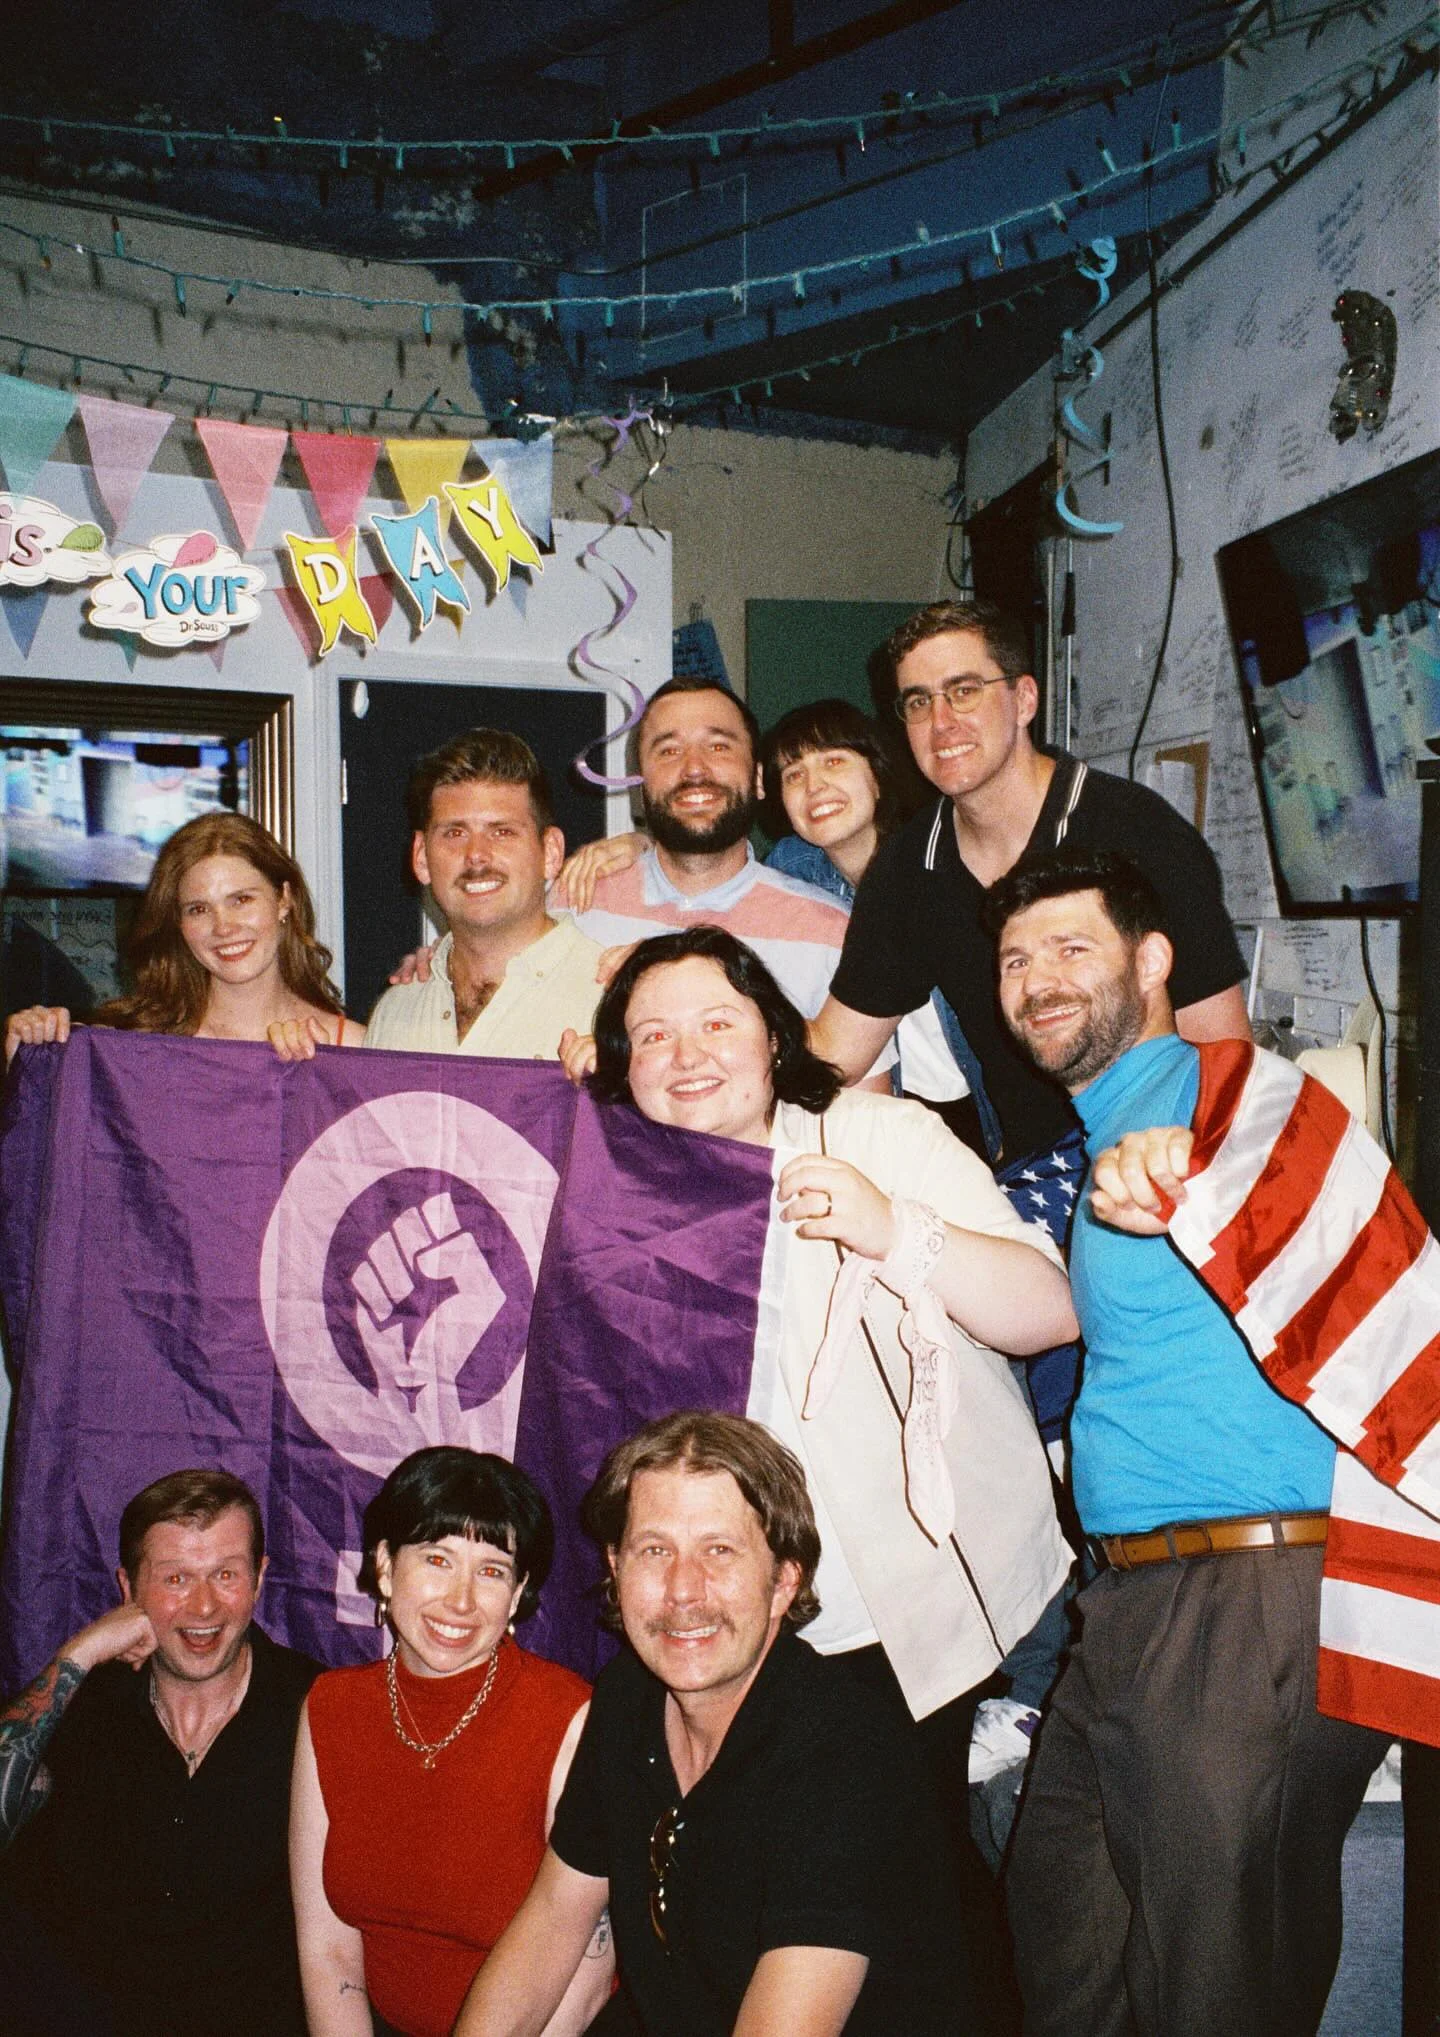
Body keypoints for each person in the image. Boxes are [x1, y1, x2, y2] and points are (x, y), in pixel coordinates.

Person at [581, 924, 1075, 2028]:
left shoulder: (873, 1134)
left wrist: (894, 1231)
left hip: (924, 1620)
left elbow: (1050, 1310)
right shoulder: (617, 1185)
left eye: (716, 1020)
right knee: (771, 1909)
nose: (687, 1052)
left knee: (932, 1924)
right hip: (741, 1626)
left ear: (771, 1033)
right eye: (651, 1035)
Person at [986, 847, 1396, 2037]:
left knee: (1219, 1995)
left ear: (1153, 961)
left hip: (1250, 1599)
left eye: (1071, 949)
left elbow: (1283, 1160)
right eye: (1015, 960)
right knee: (1066, 1937)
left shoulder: (1230, 1096)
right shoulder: (1104, 1124)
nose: (1037, 982)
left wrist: (1184, 1169)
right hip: (1129, 1608)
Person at [454, 1411, 973, 2037]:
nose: (683, 1590)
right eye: (655, 1550)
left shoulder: (847, 1752)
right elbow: (553, 1923)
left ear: (785, 1579)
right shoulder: (627, 1699)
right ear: (616, 1570)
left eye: (719, 1551)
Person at [809, 598, 1251, 1163]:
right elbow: (836, 1051)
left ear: (1023, 700)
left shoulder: (1138, 833)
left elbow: (1223, 1055)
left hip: (1159, 1155)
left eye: (964, 690)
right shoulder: (909, 868)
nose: (941, 722)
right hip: (1028, 1177)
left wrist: (1182, 1183)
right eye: (918, 702)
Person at [290, 1446, 608, 2037]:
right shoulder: (330, 1707)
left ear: (517, 1596)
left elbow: (588, 1974)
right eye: (437, 1559)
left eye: (491, 1571)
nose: (461, 1600)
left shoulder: (570, 1716)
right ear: (385, 1566)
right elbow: (327, 1950)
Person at [0, 1468, 318, 2037]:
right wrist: (77, 1654)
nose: (203, 1607)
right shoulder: (83, 1707)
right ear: (129, 1590)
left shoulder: (320, 1712)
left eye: (226, 1574)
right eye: (175, 1578)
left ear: (260, 1579)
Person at [3, 810, 364, 1064]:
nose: (223, 927)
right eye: (198, 909)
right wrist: (32, 1057)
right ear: (177, 922)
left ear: (284, 899)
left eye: (241, 899)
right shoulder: (130, 1047)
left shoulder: (351, 1048)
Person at [352, 729, 607, 1063]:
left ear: (551, 853)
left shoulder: (612, 998)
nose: (476, 855)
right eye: (455, 833)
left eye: (502, 832)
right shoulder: (396, 1012)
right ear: (421, 857)